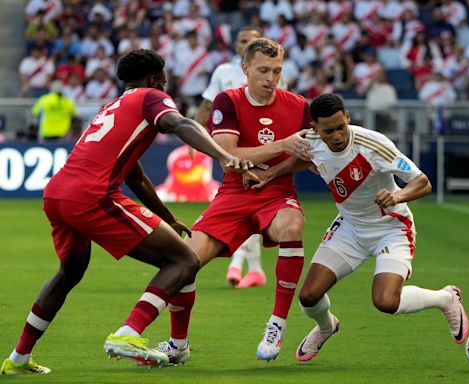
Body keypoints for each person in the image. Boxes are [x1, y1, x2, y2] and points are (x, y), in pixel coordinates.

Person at [0, 49, 253, 375]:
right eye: (164, 80)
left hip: (58, 194)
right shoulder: (151, 97)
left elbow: (135, 175)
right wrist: (223, 156)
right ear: (154, 79)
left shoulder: (113, 106)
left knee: (70, 272)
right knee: (185, 261)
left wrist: (167, 217)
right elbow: (181, 123)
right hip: (92, 196)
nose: (166, 86)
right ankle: (128, 333)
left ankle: (19, 357)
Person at [245, 93, 469, 363]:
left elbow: (422, 182)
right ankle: (327, 327)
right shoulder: (310, 141)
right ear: (315, 128)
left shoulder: (373, 144)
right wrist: (269, 174)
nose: (338, 136)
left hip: (391, 227)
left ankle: (445, 299)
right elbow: (304, 158)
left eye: (341, 127)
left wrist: (396, 196)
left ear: (348, 118)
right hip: (350, 228)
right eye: (329, 131)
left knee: (386, 301)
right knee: (308, 296)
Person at [157, 38, 313, 363]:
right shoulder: (226, 100)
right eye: (264, 71)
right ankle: (177, 344)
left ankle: (277, 324)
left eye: (277, 71)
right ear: (245, 69)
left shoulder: (299, 105)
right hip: (233, 194)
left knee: (293, 225)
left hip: (277, 194)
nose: (272, 78)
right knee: (183, 261)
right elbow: (229, 153)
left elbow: (307, 157)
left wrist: (273, 172)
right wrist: (280, 145)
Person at [196, 26, 266, 289]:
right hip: (228, 147)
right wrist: (194, 131)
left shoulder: (267, 71)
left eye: (252, 40)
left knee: (247, 206)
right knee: (247, 206)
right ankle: (255, 269)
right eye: (242, 40)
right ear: (236, 44)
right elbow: (206, 106)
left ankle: (238, 266)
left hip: (259, 147)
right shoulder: (224, 72)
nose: (246, 43)